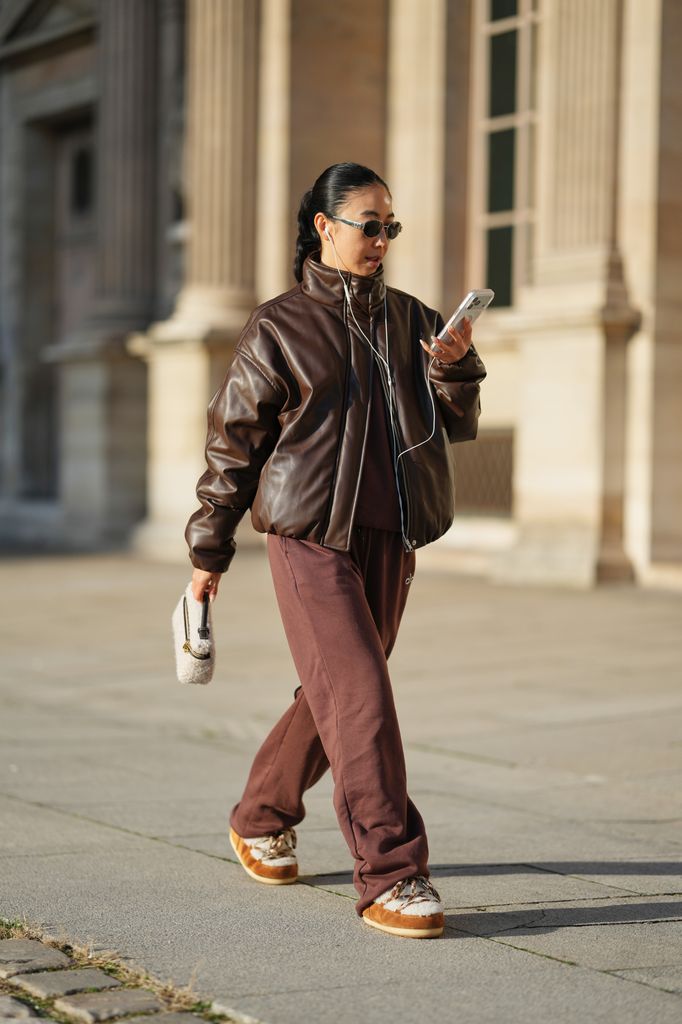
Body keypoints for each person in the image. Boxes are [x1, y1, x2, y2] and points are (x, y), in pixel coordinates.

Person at [185, 162, 486, 939]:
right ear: (324, 227)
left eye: (391, 226)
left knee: (337, 694)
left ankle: (259, 815)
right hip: (309, 537)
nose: (381, 239)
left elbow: (456, 421)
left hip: (392, 533)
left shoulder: (412, 318)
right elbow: (233, 446)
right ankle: (390, 871)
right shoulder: (279, 325)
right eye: (368, 224)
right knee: (361, 696)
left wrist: (454, 366)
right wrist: (207, 554)